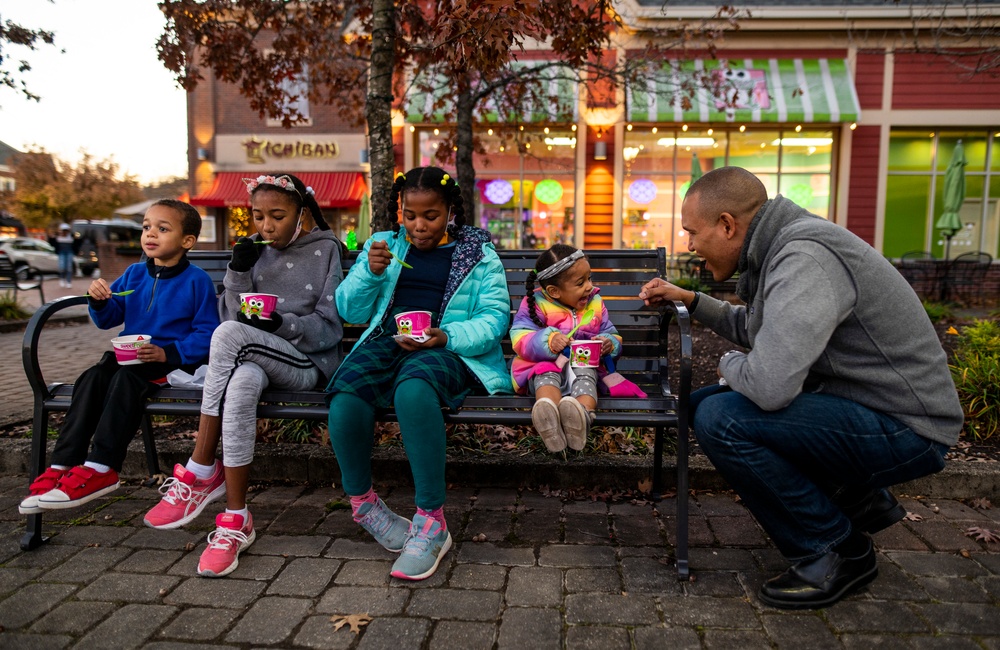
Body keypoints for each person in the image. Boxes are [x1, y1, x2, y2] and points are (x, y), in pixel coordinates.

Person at [638, 166, 964, 610]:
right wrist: (692, 300)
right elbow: (756, 328)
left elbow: (770, 387)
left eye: (692, 233)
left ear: (728, 224)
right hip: (864, 406)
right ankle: (858, 500)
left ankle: (835, 552)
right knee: (702, 405)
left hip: (907, 427)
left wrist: (730, 365)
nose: (690, 246)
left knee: (723, 419)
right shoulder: (785, 245)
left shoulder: (804, 258)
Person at [143, 173, 345, 579]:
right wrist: (237, 274)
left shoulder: (326, 250)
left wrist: (279, 324)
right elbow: (233, 318)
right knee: (240, 382)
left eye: (277, 216)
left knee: (231, 335)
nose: (266, 226)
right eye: (257, 216)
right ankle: (236, 520)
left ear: (301, 214)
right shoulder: (255, 253)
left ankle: (200, 467)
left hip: (308, 364)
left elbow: (330, 328)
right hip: (256, 358)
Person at [326, 166, 510, 581]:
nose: (418, 225)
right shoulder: (383, 246)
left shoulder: (478, 255)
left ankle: (431, 522)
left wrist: (445, 336)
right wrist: (370, 273)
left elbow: (495, 319)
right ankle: (364, 506)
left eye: (430, 215)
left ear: (450, 212)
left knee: (413, 392)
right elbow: (349, 311)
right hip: (388, 341)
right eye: (410, 215)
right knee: (346, 394)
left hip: (449, 349)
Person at [19, 200, 219, 514]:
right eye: (147, 227)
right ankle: (63, 465)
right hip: (131, 356)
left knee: (125, 380)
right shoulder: (134, 273)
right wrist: (99, 301)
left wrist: (169, 352)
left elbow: (208, 333)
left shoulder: (197, 281)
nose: (150, 234)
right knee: (93, 376)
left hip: (172, 361)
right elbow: (109, 318)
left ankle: (102, 467)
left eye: (162, 229)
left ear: (187, 241)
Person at [509, 244, 622, 453]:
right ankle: (549, 415)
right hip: (546, 364)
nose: (589, 286)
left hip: (584, 362)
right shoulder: (536, 304)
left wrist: (609, 343)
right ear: (554, 291)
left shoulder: (595, 302)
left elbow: (610, 331)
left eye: (589, 278)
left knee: (586, 375)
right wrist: (548, 341)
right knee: (545, 374)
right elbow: (520, 337)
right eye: (581, 283)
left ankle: (582, 416)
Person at [51, 223, 77, 287]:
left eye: (66, 230)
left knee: (69, 267)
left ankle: (68, 281)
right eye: (63, 230)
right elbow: (53, 243)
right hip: (61, 252)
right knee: (62, 267)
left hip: (69, 252)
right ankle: (62, 279)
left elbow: (76, 244)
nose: (65, 232)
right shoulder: (58, 237)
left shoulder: (71, 237)